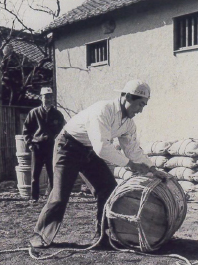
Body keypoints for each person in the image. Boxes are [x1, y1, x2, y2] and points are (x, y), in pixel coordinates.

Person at [29, 80, 171, 248]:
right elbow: (102, 147)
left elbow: (133, 150)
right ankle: (40, 236)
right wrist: (130, 165)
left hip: (88, 151)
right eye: (140, 105)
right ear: (127, 98)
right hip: (67, 147)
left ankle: (102, 236)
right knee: (60, 195)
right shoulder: (103, 110)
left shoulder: (128, 124)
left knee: (108, 189)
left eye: (143, 106)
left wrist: (152, 169)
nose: (140, 110)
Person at [22, 87, 65, 202]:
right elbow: (26, 130)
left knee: (52, 172)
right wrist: (30, 144)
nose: (48, 99)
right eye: (45, 97)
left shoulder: (57, 114)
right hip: (37, 147)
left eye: (50, 97)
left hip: (52, 147)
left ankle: (52, 197)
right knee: (35, 173)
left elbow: (63, 130)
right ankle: (34, 197)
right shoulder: (34, 113)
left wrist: (59, 142)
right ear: (41, 98)